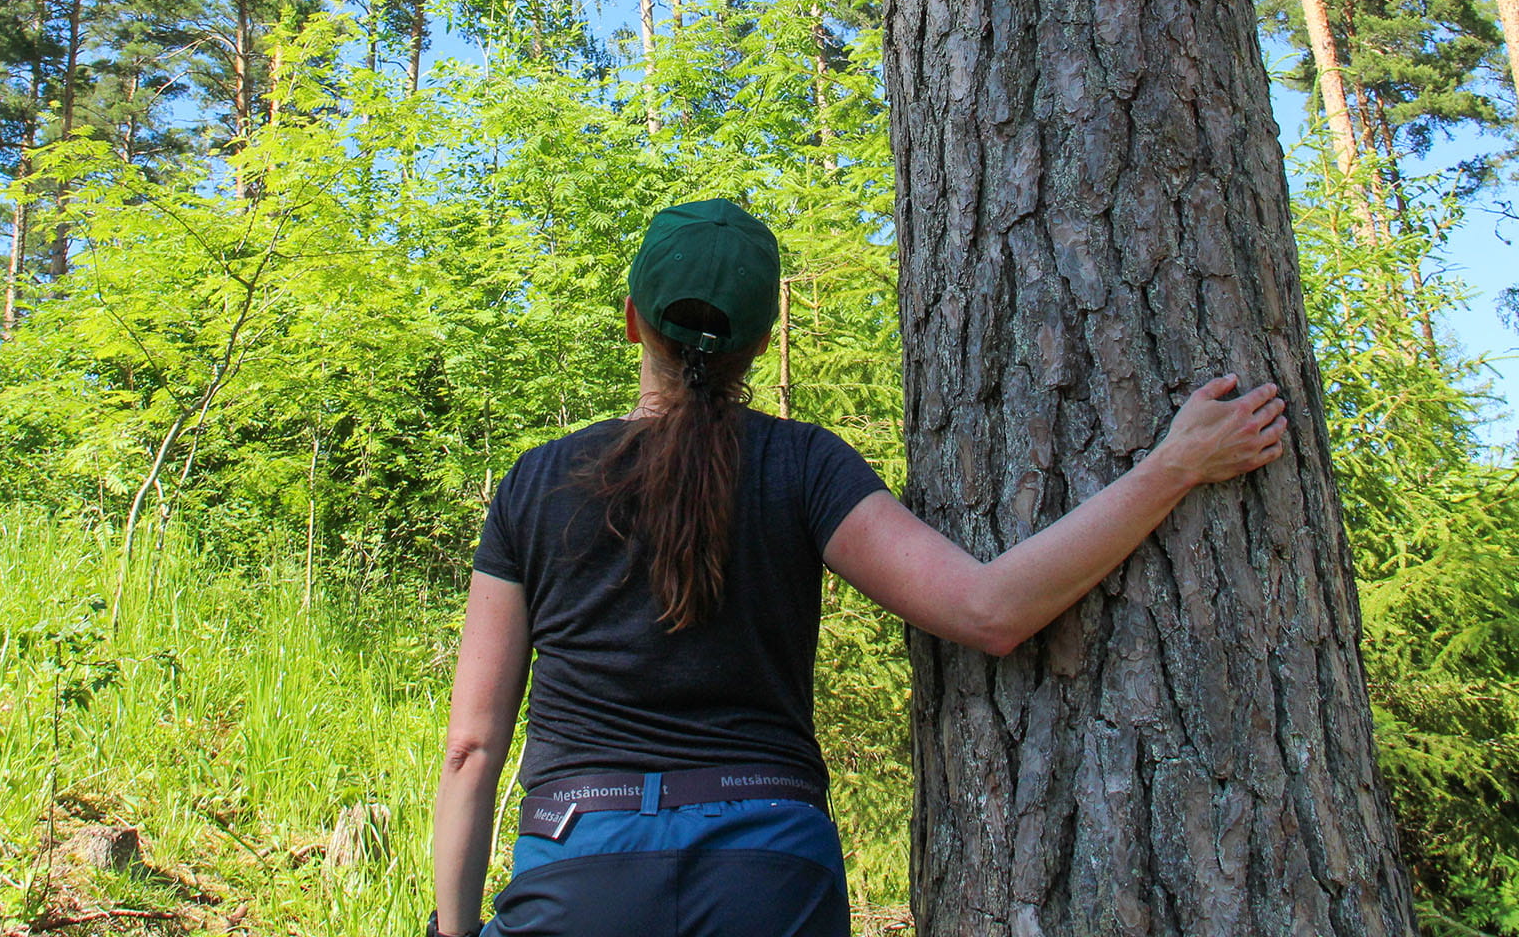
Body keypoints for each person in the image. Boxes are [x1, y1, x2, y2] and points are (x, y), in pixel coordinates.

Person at [427, 199, 1288, 937]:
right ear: (762, 342)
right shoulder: (803, 467)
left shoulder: (536, 483)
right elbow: (991, 609)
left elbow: (472, 747)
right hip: (768, 874)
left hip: (581, 866)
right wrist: (1170, 467)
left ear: (630, 320)